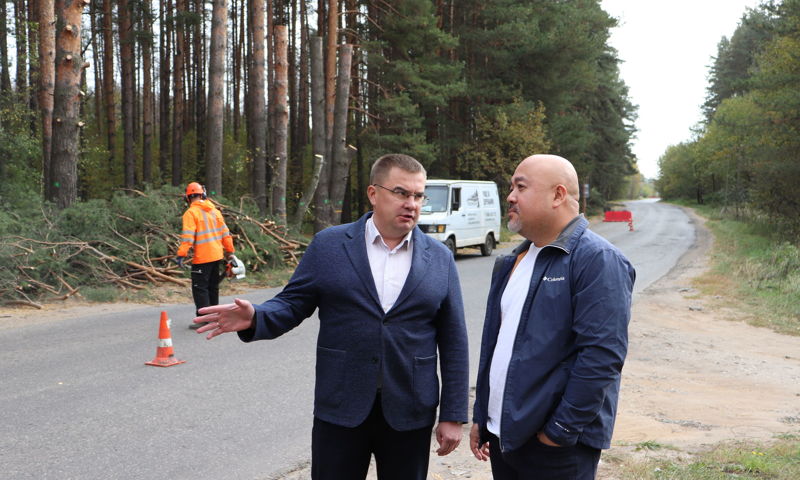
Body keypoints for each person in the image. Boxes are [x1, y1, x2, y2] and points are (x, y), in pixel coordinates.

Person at [193, 154, 469, 480]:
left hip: (410, 407)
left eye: (418, 196)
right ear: (373, 193)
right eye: (400, 192)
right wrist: (257, 316)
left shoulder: (439, 258)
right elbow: (293, 303)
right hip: (341, 403)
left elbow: (454, 340)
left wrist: (453, 414)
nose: (411, 203)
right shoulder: (330, 246)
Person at [469, 154, 635, 479]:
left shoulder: (597, 260)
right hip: (505, 437)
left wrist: (558, 432)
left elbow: (602, 356)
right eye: (511, 187)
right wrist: (483, 415)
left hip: (555, 449)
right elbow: (496, 347)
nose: (510, 197)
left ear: (558, 195)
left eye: (520, 187)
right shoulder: (514, 260)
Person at [176, 182, 235, 329]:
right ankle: (214, 318)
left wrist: (181, 254)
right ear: (202, 194)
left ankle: (204, 319)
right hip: (217, 255)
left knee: (200, 288)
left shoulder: (191, 213)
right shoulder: (215, 211)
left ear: (188, 197)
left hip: (202, 257)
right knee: (213, 287)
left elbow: (188, 237)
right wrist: (230, 251)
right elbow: (226, 234)